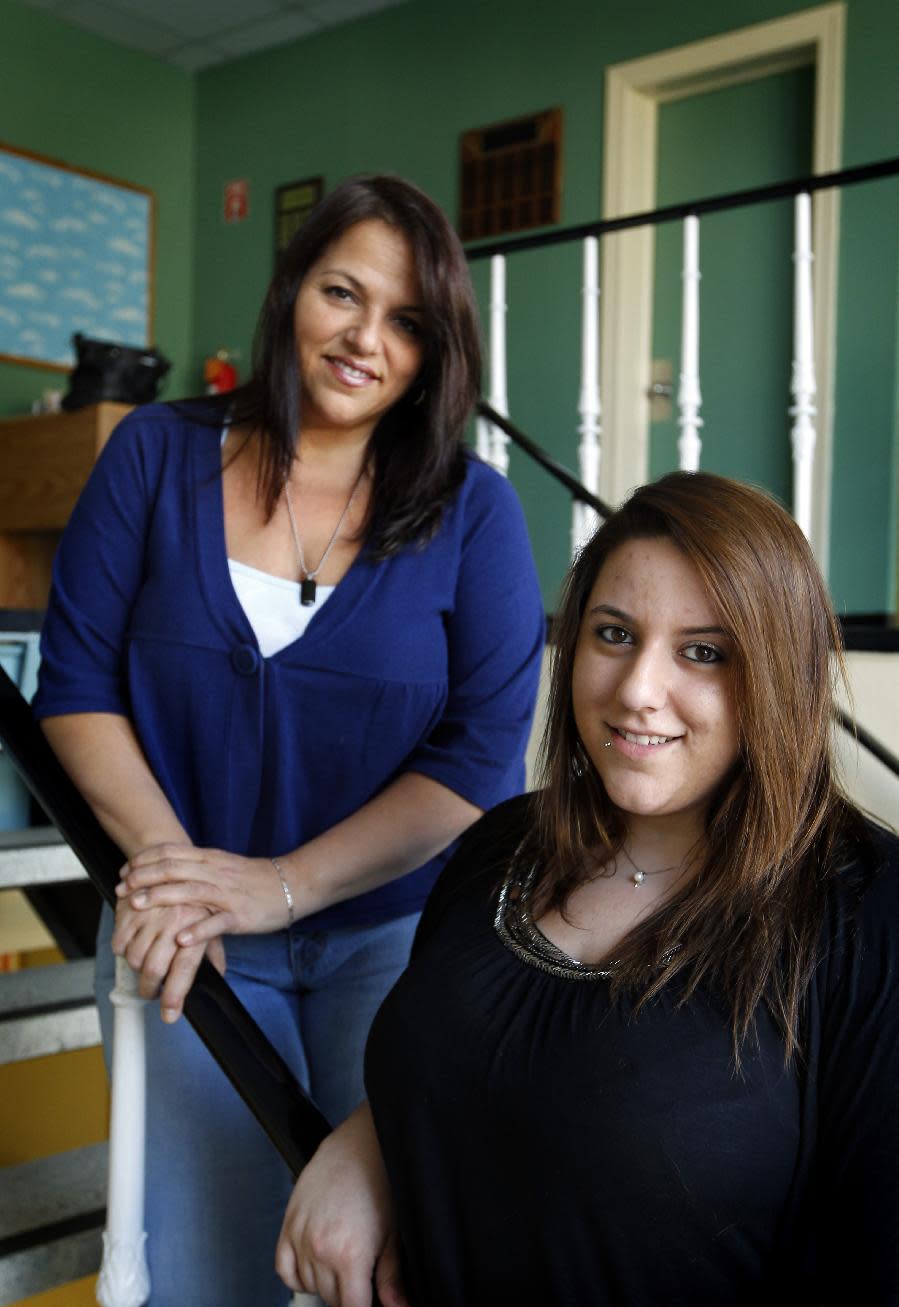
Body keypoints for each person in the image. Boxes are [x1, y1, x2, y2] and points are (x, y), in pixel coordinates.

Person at [33, 174, 545, 1306]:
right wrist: (179, 876)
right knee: (210, 1272)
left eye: (406, 319)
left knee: (389, 1263)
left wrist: (278, 884)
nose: (366, 337)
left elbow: (475, 762)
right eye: (340, 292)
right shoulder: (154, 458)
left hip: (396, 941)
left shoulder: (475, 511)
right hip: (190, 941)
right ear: (290, 294)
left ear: (436, 348)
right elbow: (73, 686)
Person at [276, 470, 899, 1307]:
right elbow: (461, 1065)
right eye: (613, 634)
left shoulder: (868, 912)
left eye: (702, 652)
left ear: (777, 674)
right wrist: (368, 1146)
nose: (637, 689)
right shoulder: (501, 848)